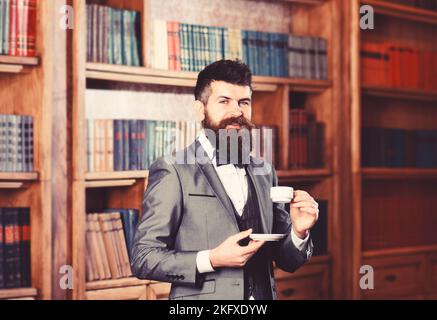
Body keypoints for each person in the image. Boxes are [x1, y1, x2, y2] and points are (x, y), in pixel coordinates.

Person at [131, 60, 319, 300]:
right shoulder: (172, 170)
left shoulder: (265, 171)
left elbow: (286, 260)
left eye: (244, 102)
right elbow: (143, 258)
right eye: (224, 101)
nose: (237, 112)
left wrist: (299, 232)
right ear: (201, 109)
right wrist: (210, 259)